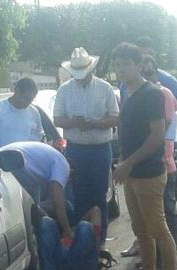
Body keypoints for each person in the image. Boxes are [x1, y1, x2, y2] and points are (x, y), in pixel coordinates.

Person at [112, 42, 177, 270]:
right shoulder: (128, 93)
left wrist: (128, 163)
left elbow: (157, 136)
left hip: (149, 173)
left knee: (158, 228)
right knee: (141, 230)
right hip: (132, 173)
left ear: (139, 65)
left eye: (126, 64)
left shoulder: (151, 93)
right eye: (118, 65)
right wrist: (122, 162)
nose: (121, 69)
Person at [0, 141, 100, 270]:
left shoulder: (80, 232)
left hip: (80, 263)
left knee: (84, 226)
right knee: (45, 221)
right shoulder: (62, 164)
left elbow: (95, 212)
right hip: (59, 258)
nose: (64, 184)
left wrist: (69, 231)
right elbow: (55, 200)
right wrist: (61, 227)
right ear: (70, 173)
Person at [54, 47, 120, 245]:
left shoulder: (105, 88)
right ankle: (83, 239)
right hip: (76, 149)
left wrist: (94, 124)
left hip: (100, 148)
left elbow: (115, 117)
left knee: (99, 193)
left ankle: (99, 241)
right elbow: (58, 119)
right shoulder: (64, 90)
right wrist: (74, 122)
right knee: (79, 193)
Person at [143, 55, 177, 246]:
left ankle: (170, 254)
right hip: (145, 165)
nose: (146, 77)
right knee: (151, 215)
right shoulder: (139, 95)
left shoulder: (163, 94)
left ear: (156, 74)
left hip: (164, 164)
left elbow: (162, 131)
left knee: (167, 212)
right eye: (142, 73)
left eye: (149, 73)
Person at [0, 78, 44, 149]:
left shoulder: (34, 112)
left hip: (28, 154)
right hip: (5, 154)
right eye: (26, 98)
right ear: (17, 91)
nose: (28, 103)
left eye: (31, 100)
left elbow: (38, 138)